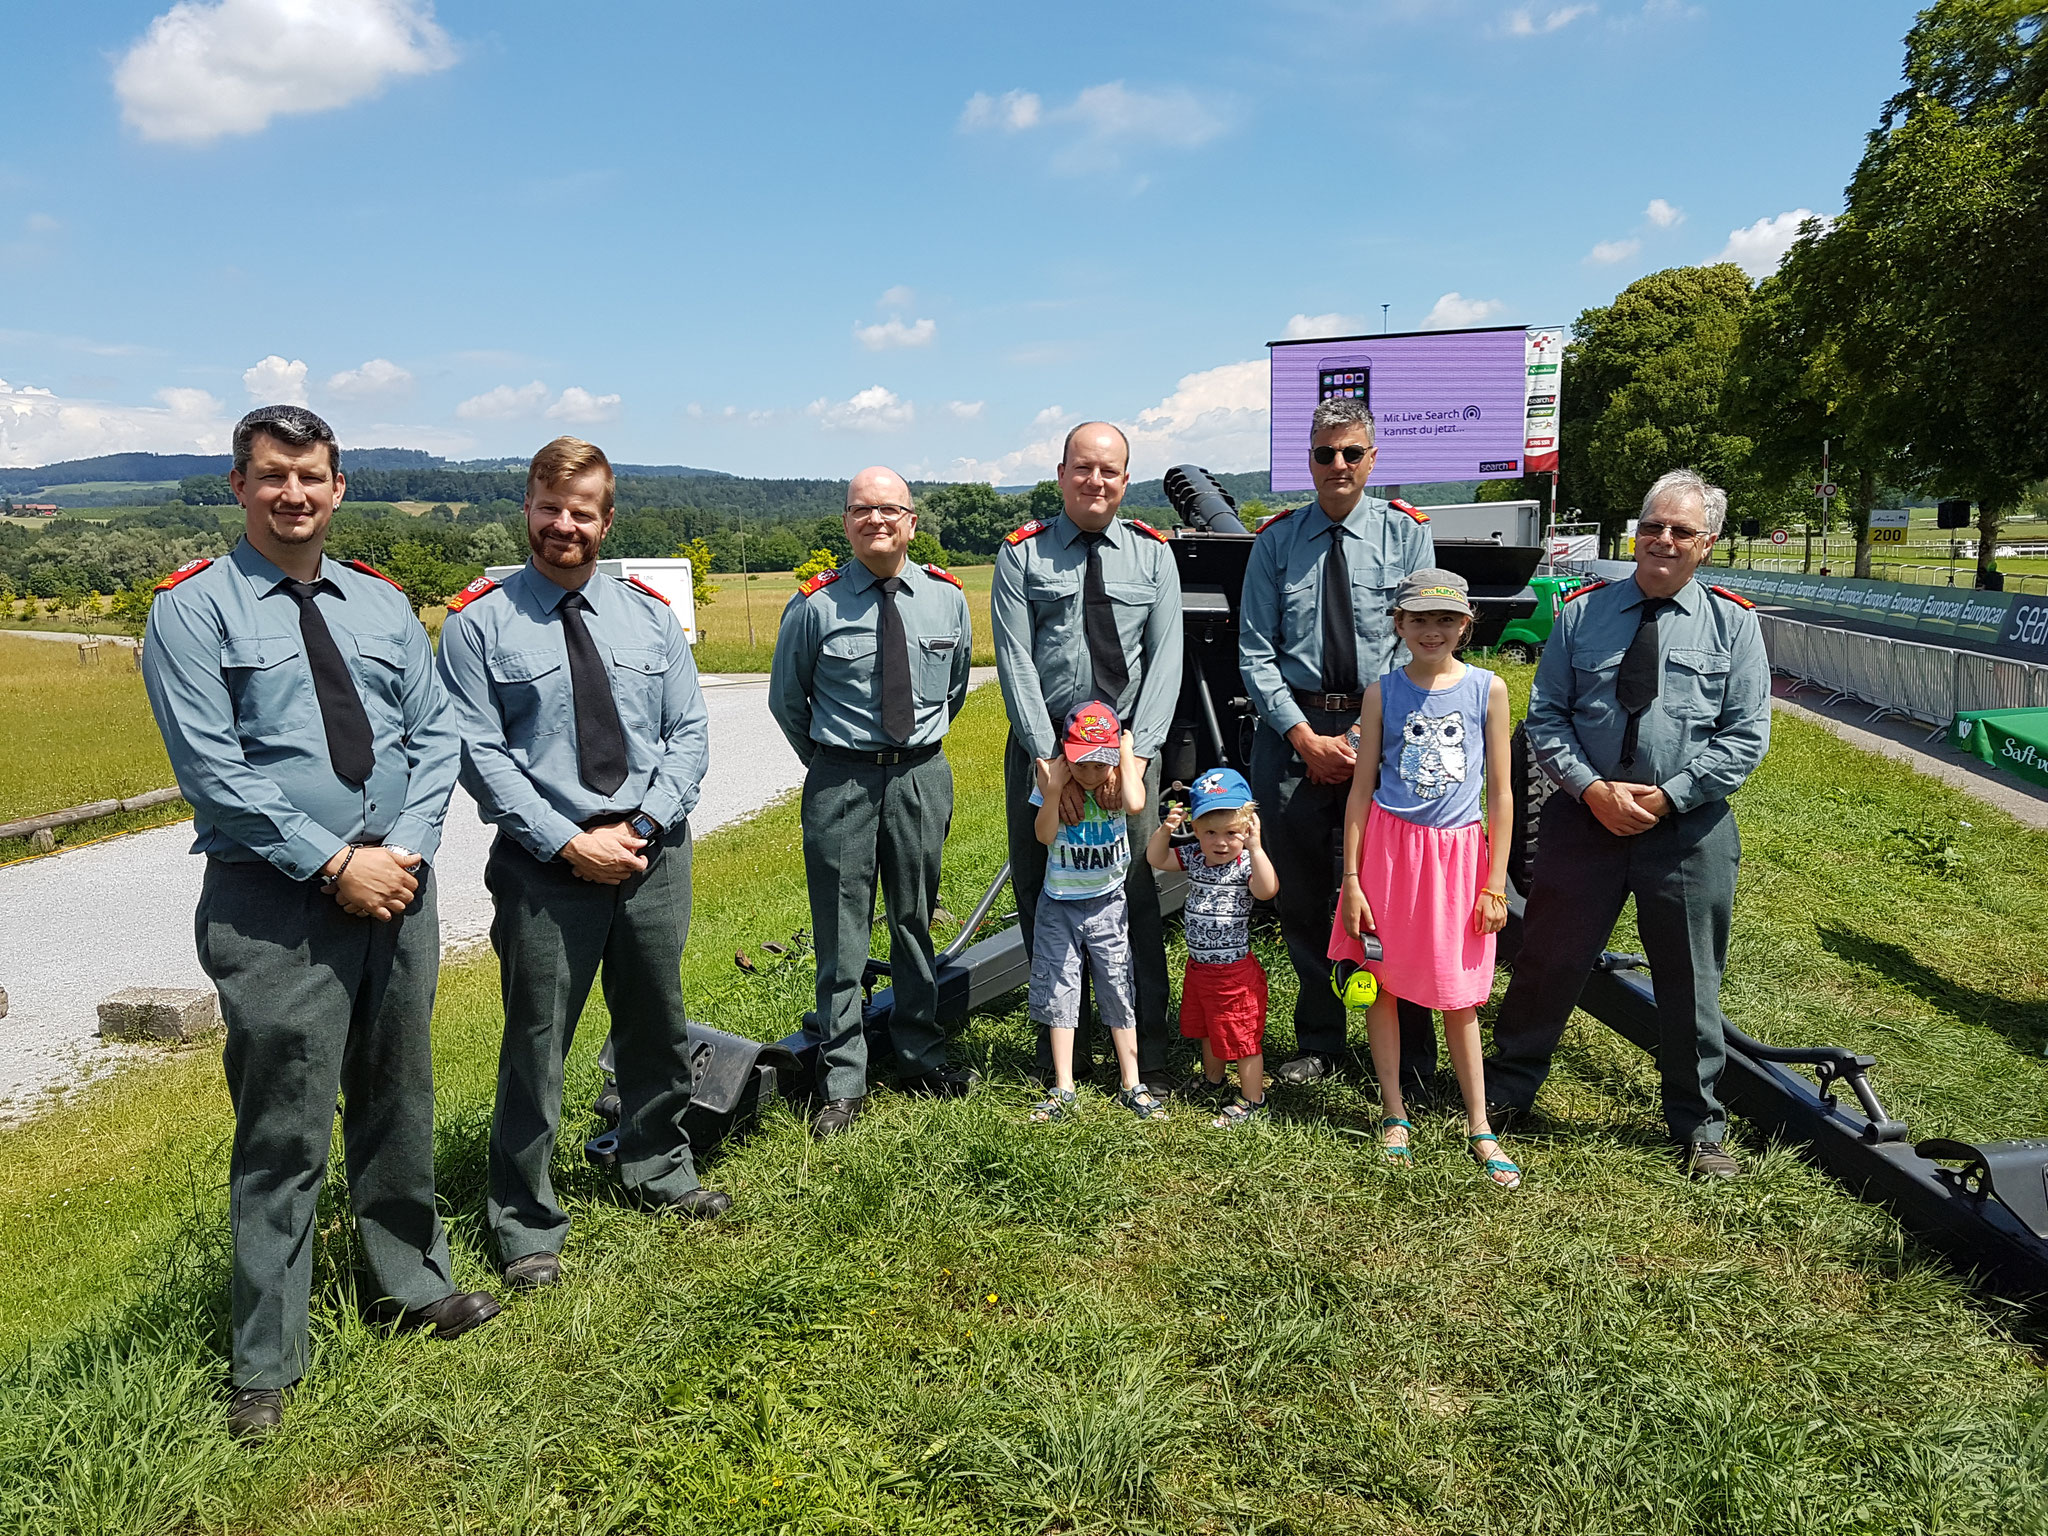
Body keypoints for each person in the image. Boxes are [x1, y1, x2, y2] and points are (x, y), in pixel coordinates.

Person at [141, 405, 497, 1440]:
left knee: (397, 1097)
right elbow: (213, 767)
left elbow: (435, 736)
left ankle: (409, 1283)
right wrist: (336, 862)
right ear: (238, 488)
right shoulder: (193, 610)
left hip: (399, 889)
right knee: (283, 1130)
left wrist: (408, 851)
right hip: (278, 905)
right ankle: (266, 1360)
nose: (293, 494)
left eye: (312, 476)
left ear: (338, 489)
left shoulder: (382, 605)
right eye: (272, 476)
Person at [436, 436, 725, 1294]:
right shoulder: (478, 622)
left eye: (583, 511)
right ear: (527, 507)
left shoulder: (645, 617)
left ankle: (658, 1168)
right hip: (544, 865)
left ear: (606, 519)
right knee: (537, 1045)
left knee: (656, 1023)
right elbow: (477, 752)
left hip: (651, 850)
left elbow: (689, 735)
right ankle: (525, 1223)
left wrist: (643, 823)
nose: (565, 524)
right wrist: (569, 842)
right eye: (550, 507)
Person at [1484, 469, 1772, 1179]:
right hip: (1585, 822)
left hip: (1687, 830)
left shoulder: (1733, 624)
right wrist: (1590, 790)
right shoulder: (1583, 614)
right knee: (1549, 961)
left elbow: (1744, 737)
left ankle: (1698, 1125)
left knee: (1690, 978)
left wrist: (1668, 797)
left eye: (1681, 531)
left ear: (1706, 543)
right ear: (1635, 534)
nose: (1663, 541)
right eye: (1652, 527)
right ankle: (1507, 1090)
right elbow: (1546, 715)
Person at [1238, 396, 1440, 1092]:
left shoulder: (1407, 536)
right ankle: (1320, 1041)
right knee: (1300, 898)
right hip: (1291, 735)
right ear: (1309, 462)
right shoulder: (1277, 541)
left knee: (1394, 894)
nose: (1339, 465)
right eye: (1326, 454)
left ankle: (1410, 1055)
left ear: (1372, 459)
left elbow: (1420, 639)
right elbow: (1256, 652)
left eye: (1352, 452)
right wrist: (1303, 735)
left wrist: (1357, 734)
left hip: (1384, 732)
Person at [769, 466, 977, 1138]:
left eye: (890, 509)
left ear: (912, 521)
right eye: (863, 510)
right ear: (847, 522)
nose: (877, 521)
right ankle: (844, 1079)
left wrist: (908, 754)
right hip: (843, 781)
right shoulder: (815, 605)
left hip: (920, 775)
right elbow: (786, 701)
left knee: (915, 921)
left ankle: (919, 1055)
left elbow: (955, 692)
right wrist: (833, 763)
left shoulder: (946, 599)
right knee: (841, 934)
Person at [991, 421, 1184, 1089]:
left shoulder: (1153, 556)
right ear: (1061, 473)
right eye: (1083, 468)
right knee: (1046, 899)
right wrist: (1051, 765)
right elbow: (1014, 659)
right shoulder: (1022, 556)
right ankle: (1059, 1056)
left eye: (1109, 470)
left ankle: (1148, 1054)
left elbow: (1165, 664)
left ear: (1126, 481)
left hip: (1127, 759)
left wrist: (1136, 758)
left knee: (1132, 896)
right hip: (1046, 757)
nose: (1095, 480)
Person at [1330, 570, 1519, 1186]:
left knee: (1459, 995)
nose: (1431, 631)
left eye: (1445, 620)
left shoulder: (1489, 689)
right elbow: (1361, 791)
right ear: (1399, 626)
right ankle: (1394, 1113)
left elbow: (1501, 792)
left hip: (1459, 862)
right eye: (1418, 620)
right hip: (1388, 858)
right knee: (1380, 983)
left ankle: (1479, 1123)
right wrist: (1353, 879)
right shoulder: (1383, 692)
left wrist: (1495, 883)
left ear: (1466, 625)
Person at [1025, 702, 1166, 1124]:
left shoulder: (1118, 779)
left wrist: (1123, 757)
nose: (1090, 775)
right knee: (1060, 990)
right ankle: (1063, 1085)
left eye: (1098, 764)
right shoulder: (1053, 782)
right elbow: (1043, 834)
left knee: (1117, 986)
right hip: (1060, 906)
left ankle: (1131, 1082)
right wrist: (1052, 792)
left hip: (1108, 904)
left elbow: (1138, 804)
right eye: (1081, 765)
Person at [1145, 767, 1279, 1128]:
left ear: (1248, 828)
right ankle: (1213, 1079)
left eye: (1232, 833)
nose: (1221, 842)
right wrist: (1166, 830)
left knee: (1241, 1035)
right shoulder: (1194, 857)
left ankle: (1253, 1099)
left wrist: (1255, 847)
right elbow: (1157, 859)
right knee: (1207, 1028)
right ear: (1196, 829)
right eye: (1210, 833)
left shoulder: (1247, 861)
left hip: (1233, 972)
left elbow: (1267, 890)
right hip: (1200, 968)